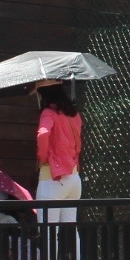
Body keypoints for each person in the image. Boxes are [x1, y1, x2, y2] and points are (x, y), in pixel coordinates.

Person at [35, 82, 83, 225]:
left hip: (52, 178)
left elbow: (43, 134)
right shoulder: (74, 114)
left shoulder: (48, 113)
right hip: (74, 177)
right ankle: (77, 249)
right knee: (71, 228)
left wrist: (42, 157)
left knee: (47, 231)